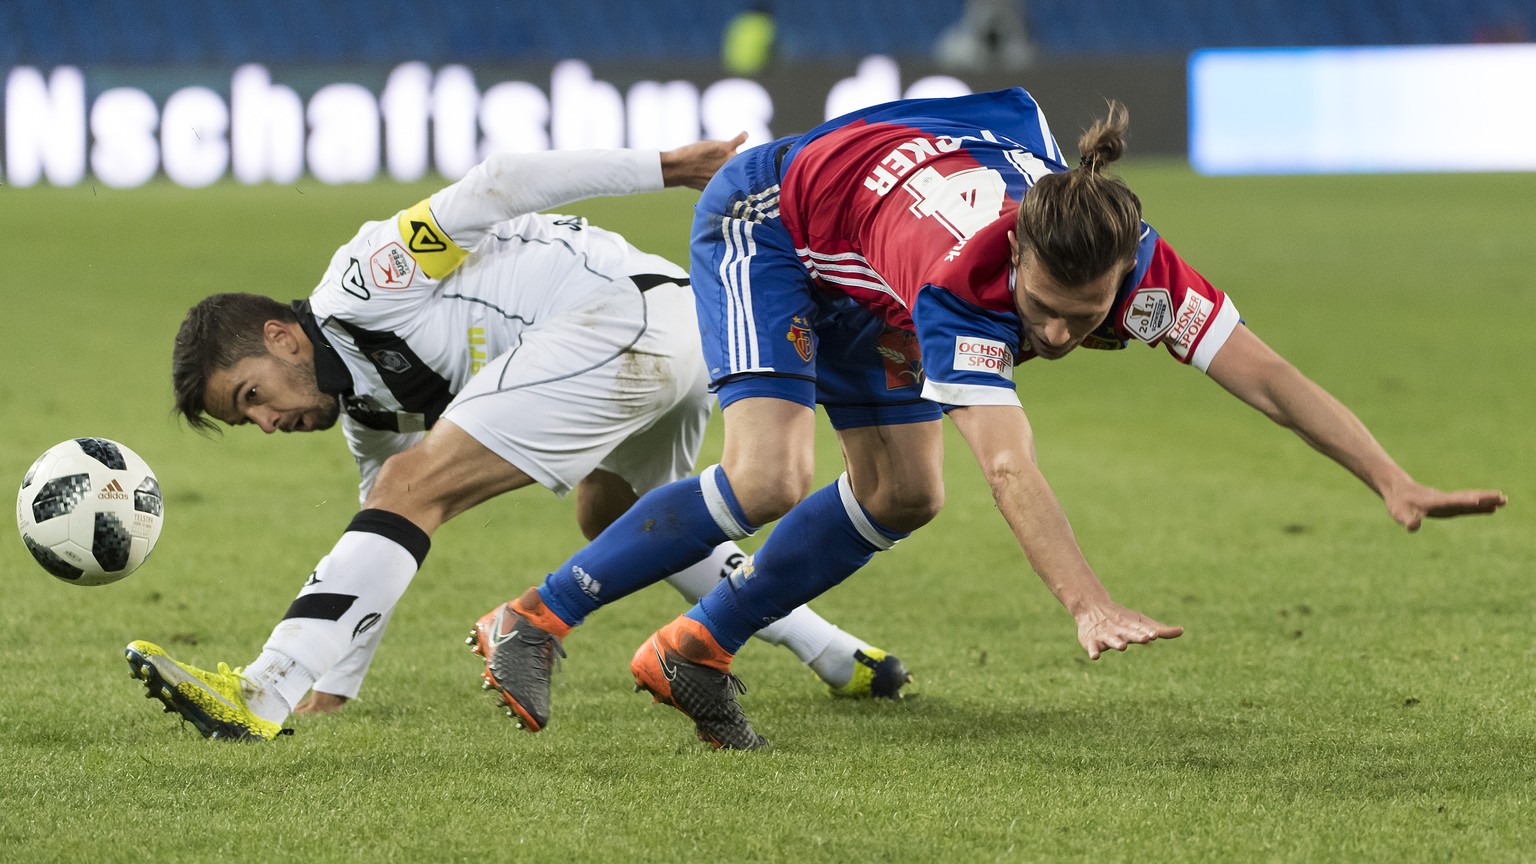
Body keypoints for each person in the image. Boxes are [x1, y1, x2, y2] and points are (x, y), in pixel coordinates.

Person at [477, 88, 1507, 750]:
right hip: (772, 222)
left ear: (1125, 276)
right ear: (1015, 255)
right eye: (1044, 312)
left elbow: (1266, 375)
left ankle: (695, 649)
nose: (1057, 338)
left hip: (866, 243)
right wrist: (1087, 602)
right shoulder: (963, 278)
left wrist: (1390, 477)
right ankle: (533, 616)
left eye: (1085, 314)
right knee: (771, 477)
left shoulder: (1135, 265)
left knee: (906, 493)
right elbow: (1008, 466)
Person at [122, 136, 913, 742]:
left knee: (416, 490)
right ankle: (839, 656)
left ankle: (260, 689)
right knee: (618, 518)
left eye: (252, 395)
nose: (266, 422)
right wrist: (334, 685)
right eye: (246, 419)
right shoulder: (370, 413)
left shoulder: (364, 282)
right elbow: (376, 527)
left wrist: (670, 166)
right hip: (678, 331)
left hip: (619, 318)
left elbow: (500, 183)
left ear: (282, 335)